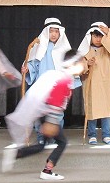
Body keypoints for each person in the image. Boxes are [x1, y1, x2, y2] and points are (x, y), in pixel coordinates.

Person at [3, 50, 85, 180]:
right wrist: (51, 122)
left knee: (42, 145)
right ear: (72, 64)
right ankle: (47, 170)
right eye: (81, 62)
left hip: (46, 115)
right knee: (62, 142)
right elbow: (55, 101)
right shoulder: (64, 79)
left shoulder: (62, 77)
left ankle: (17, 153)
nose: (83, 65)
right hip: (49, 116)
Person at [22, 17, 81, 145]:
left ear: (60, 32)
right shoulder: (40, 47)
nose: (54, 34)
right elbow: (33, 63)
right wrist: (27, 68)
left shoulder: (64, 48)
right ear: (46, 32)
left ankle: (55, 137)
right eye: (51, 31)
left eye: (56, 31)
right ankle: (41, 136)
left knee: (57, 114)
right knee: (40, 112)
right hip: (42, 86)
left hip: (57, 87)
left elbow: (70, 66)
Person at [77, 22, 110, 145]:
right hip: (91, 84)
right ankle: (92, 135)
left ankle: (106, 135)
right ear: (90, 36)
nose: (98, 39)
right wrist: (87, 64)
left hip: (106, 83)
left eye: (100, 36)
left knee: (106, 110)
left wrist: (109, 33)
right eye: (95, 36)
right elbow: (78, 68)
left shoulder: (109, 50)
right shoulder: (85, 50)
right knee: (92, 110)